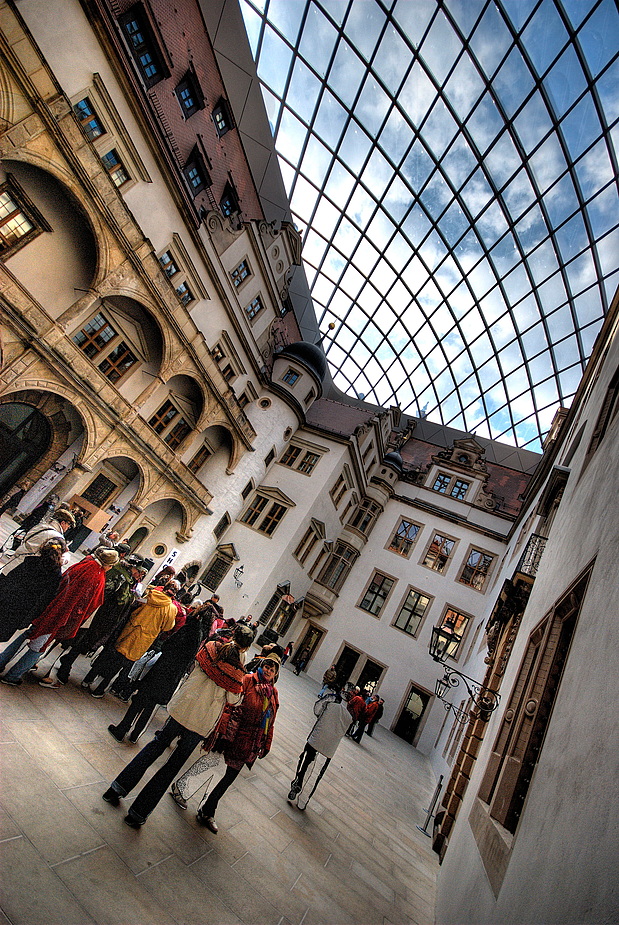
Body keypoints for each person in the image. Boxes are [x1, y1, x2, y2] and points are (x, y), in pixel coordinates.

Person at [101, 623, 254, 827]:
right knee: (173, 765)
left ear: (232, 634)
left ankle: (116, 789)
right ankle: (138, 813)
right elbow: (234, 700)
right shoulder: (238, 672)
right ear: (246, 647)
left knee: (156, 745)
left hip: (182, 708)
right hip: (201, 721)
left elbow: (195, 666)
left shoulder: (212, 649)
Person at [0, 547, 118, 685]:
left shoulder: (87, 563)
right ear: (108, 564)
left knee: (28, 635)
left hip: (53, 606)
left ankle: (2, 661)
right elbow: (82, 603)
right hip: (59, 615)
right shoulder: (96, 575)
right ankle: (13, 676)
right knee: (38, 647)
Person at [193, 651, 280, 833]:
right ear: (261, 666)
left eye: (273, 668)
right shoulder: (248, 680)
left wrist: (266, 744)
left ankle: (208, 810)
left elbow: (270, 720)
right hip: (232, 734)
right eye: (267, 666)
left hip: (248, 742)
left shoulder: (273, 693)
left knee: (228, 778)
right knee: (207, 764)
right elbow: (232, 704)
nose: (269, 670)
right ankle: (182, 788)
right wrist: (222, 730)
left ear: (276, 673)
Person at [107, 601, 214, 743]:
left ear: (199, 615)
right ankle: (135, 734)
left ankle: (122, 729)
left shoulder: (190, 629)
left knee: (139, 700)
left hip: (161, 671)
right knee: (150, 706)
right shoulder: (200, 635)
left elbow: (168, 644)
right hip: (171, 677)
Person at [42, 555, 147, 688]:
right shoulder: (118, 575)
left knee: (81, 643)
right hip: (95, 615)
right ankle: (54, 667)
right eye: (137, 570)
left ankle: (64, 664)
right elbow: (108, 595)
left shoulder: (126, 578)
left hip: (102, 618)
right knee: (75, 640)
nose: (138, 573)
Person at [81, 580, 178, 697]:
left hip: (129, 631)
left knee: (108, 657)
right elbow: (168, 627)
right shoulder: (172, 609)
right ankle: (99, 690)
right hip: (142, 640)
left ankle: (88, 679)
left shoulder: (150, 594)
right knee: (120, 665)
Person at [288, 685, 353, 809]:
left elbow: (317, 709)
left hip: (317, 738)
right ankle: (304, 800)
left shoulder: (331, 699)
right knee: (316, 774)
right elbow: (346, 730)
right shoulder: (350, 715)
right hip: (329, 747)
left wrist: (324, 717)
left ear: (343, 690)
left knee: (305, 762)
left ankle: (297, 783)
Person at [0, 538, 67, 643]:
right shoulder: (56, 574)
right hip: (22, 611)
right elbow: (46, 600)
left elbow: (10, 579)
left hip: (7, 601)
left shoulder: (31, 561)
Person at [1, 507, 74, 572]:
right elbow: (54, 560)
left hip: (13, 562)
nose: (68, 528)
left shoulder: (41, 526)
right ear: (63, 523)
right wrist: (66, 556)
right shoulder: (56, 538)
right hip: (26, 570)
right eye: (68, 525)